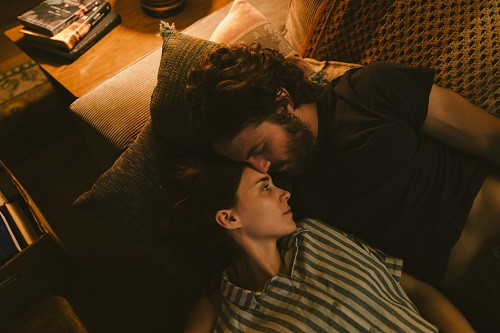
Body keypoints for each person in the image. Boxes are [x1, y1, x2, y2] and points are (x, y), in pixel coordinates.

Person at [185, 43, 500, 331]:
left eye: (259, 148)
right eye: (247, 161)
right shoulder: (286, 199)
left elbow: (490, 139)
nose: (260, 167)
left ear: (282, 101)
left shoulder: (370, 90)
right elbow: (226, 277)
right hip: (471, 295)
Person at [167, 154, 475, 333]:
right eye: (264, 188)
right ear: (229, 218)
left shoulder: (316, 235)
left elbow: (416, 290)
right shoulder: (228, 314)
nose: (283, 194)